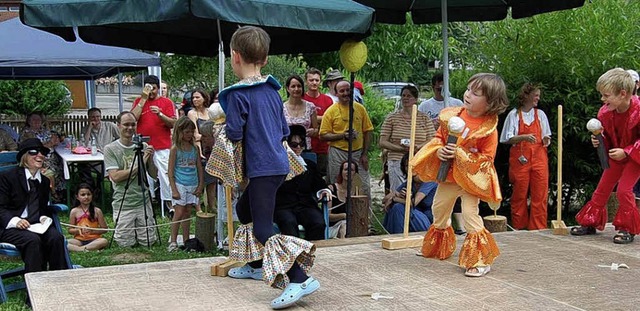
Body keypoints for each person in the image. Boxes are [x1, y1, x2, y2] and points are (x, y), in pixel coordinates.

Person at [217, 26, 319, 309]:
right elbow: (283, 130)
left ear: (235, 56)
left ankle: (299, 278)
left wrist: (222, 126)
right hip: (277, 162)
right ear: (264, 58)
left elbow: (235, 133)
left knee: (262, 227)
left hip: (262, 167)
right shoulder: (273, 90)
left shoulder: (237, 95)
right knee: (244, 210)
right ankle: (257, 263)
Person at [411, 73, 508, 277]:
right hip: (450, 177)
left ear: (490, 102)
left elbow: (487, 160)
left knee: (469, 214)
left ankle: (480, 260)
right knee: (439, 209)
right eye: (468, 89)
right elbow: (439, 138)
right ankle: (440, 247)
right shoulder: (452, 116)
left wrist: (461, 154)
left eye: (476, 93)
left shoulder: (488, 129)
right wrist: (439, 150)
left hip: (471, 181)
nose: (468, 94)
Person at [571, 68, 640, 244]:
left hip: (635, 158)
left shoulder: (638, 111)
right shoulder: (605, 113)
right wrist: (600, 140)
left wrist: (627, 151)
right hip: (616, 156)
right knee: (602, 188)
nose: (602, 99)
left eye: (606, 95)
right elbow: (609, 136)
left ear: (623, 94)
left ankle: (627, 229)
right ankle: (590, 221)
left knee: (624, 190)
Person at [0, 138, 68, 302]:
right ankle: (35, 294)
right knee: (33, 241)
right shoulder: (7, 177)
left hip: (35, 225)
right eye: (34, 152)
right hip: (10, 227)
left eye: (43, 152)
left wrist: (44, 217)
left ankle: (61, 285)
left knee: (56, 238)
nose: (40, 155)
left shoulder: (44, 181)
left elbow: (42, 206)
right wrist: (16, 221)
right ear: (24, 156)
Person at [417, 74, 467, 234]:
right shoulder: (425, 106)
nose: (441, 90)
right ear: (433, 87)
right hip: (436, 148)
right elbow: (419, 125)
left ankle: (460, 225)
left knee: (456, 185)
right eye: (438, 87)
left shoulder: (457, 104)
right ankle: (439, 226)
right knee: (439, 187)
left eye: (443, 86)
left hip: (455, 149)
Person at [500, 83, 551, 230]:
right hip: (520, 160)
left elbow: (546, 136)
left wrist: (547, 140)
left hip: (539, 158)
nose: (538, 98)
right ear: (526, 96)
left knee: (540, 194)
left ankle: (538, 227)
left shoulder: (540, 114)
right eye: (535, 95)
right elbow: (505, 139)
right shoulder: (514, 114)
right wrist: (523, 137)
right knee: (519, 194)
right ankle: (519, 227)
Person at [104, 111, 158, 247]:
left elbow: (154, 174)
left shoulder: (143, 146)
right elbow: (115, 177)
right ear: (118, 125)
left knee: (148, 241)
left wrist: (150, 159)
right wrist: (141, 162)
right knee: (124, 244)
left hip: (143, 201)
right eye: (126, 124)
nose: (130, 128)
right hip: (124, 202)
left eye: (133, 124)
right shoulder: (110, 149)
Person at [131, 75, 177, 217]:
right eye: (148, 88)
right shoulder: (139, 101)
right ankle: (147, 201)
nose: (151, 92)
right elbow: (133, 118)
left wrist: (160, 114)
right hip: (143, 144)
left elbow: (173, 123)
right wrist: (143, 99)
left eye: (153, 89)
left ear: (158, 88)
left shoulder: (167, 102)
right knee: (143, 174)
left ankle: (169, 205)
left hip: (162, 145)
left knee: (164, 174)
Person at [320, 80, 373, 196]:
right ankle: (338, 212)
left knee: (363, 186)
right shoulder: (331, 111)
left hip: (357, 153)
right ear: (336, 93)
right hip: (338, 152)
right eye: (342, 91)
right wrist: (342, 135)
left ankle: (363, 213)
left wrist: (364, 153)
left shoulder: (360, 109)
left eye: (348, 90)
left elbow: (368, 130)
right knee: (337, 182)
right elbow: (323, 135)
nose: (345, 93)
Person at [274, 125, 327, 241]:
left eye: (301, 144)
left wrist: (323, 191)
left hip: (305, 205)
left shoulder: (309, 165)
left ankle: (314, 253)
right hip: (284, 207)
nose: (298, 147)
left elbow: (320, 184)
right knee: (289, 224)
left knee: (318, 223)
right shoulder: (279, 166)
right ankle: (294, 256)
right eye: (294, 144)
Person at [379, 85, 436, 191]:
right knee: (398, 191)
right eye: (403, 95)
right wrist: (400, 148)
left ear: (415, 99)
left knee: (416, 190)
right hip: (397, 159)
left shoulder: (424, 118)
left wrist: (417, 147)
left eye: (409, 96)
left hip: (419, 159)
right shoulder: (392, 118)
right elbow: (383, 142)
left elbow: (432, 139)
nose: (405, 98)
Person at [167, 117, 204, 252]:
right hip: (180, 183)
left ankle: (187, 240)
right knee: (179, 211)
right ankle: (173, 241)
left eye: (191, 132)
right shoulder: (175, 149)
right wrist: (174, 189)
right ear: (180, 132)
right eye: (187, 132)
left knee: (188, 211)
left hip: (192, 183)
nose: (190, 135)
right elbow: (170, 171)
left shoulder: (194, 148)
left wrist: (200, 185)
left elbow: (199, 167)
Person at [383, 153, 436, 234]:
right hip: (416, 217)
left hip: (429, 221)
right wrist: (397, 194)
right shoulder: (409, 183)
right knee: (394, 206)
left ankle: (395, 236)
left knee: (398, 207)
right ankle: (395, 235)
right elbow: (384, 200)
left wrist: (394, 199)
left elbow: (413, 203)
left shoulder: (429, 180)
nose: (411, 168)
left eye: (414, 165)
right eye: (407, 166)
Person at [303, 67, 334, 179]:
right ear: (306, 82)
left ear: (320, 82)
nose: (314, 83)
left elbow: (330, 121)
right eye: (311, 80)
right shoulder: (302, 98)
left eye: (317, 80)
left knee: (322, 177)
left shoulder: (327, 100)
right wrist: (322, 119)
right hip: (305, 146)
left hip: (323, 146)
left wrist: (311, 118)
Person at [67, 183, 108, 252]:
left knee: (104, 241)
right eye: (83, 195)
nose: (86, 197)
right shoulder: (74, 211)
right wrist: (79, 230)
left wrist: (92, 231)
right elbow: (70, 230)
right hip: (79, 240)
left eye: (88, 194)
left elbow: (105, 229)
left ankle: (80, 249)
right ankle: (84, 249)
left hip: (94, 239)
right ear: (77, 197)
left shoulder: (97, 211)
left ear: (92, 195)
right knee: (64, 242)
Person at [283, 75, 318, 149]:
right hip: (287, 150)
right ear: (287, 88)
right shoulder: (281, 108)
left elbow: (316, 130)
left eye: (299, 86)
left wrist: (314, 132)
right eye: (293, 86)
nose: (296, 89)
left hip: (305, 148)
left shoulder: (310, 107)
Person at [187, 88, 212, 160]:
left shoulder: (210, 111)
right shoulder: (192, 113)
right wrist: (199, 153)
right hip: (201, 147)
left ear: (204, 98)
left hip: (212, 146)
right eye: (193, 98)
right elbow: (195, 135)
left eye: (197, 97)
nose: (194, 99)